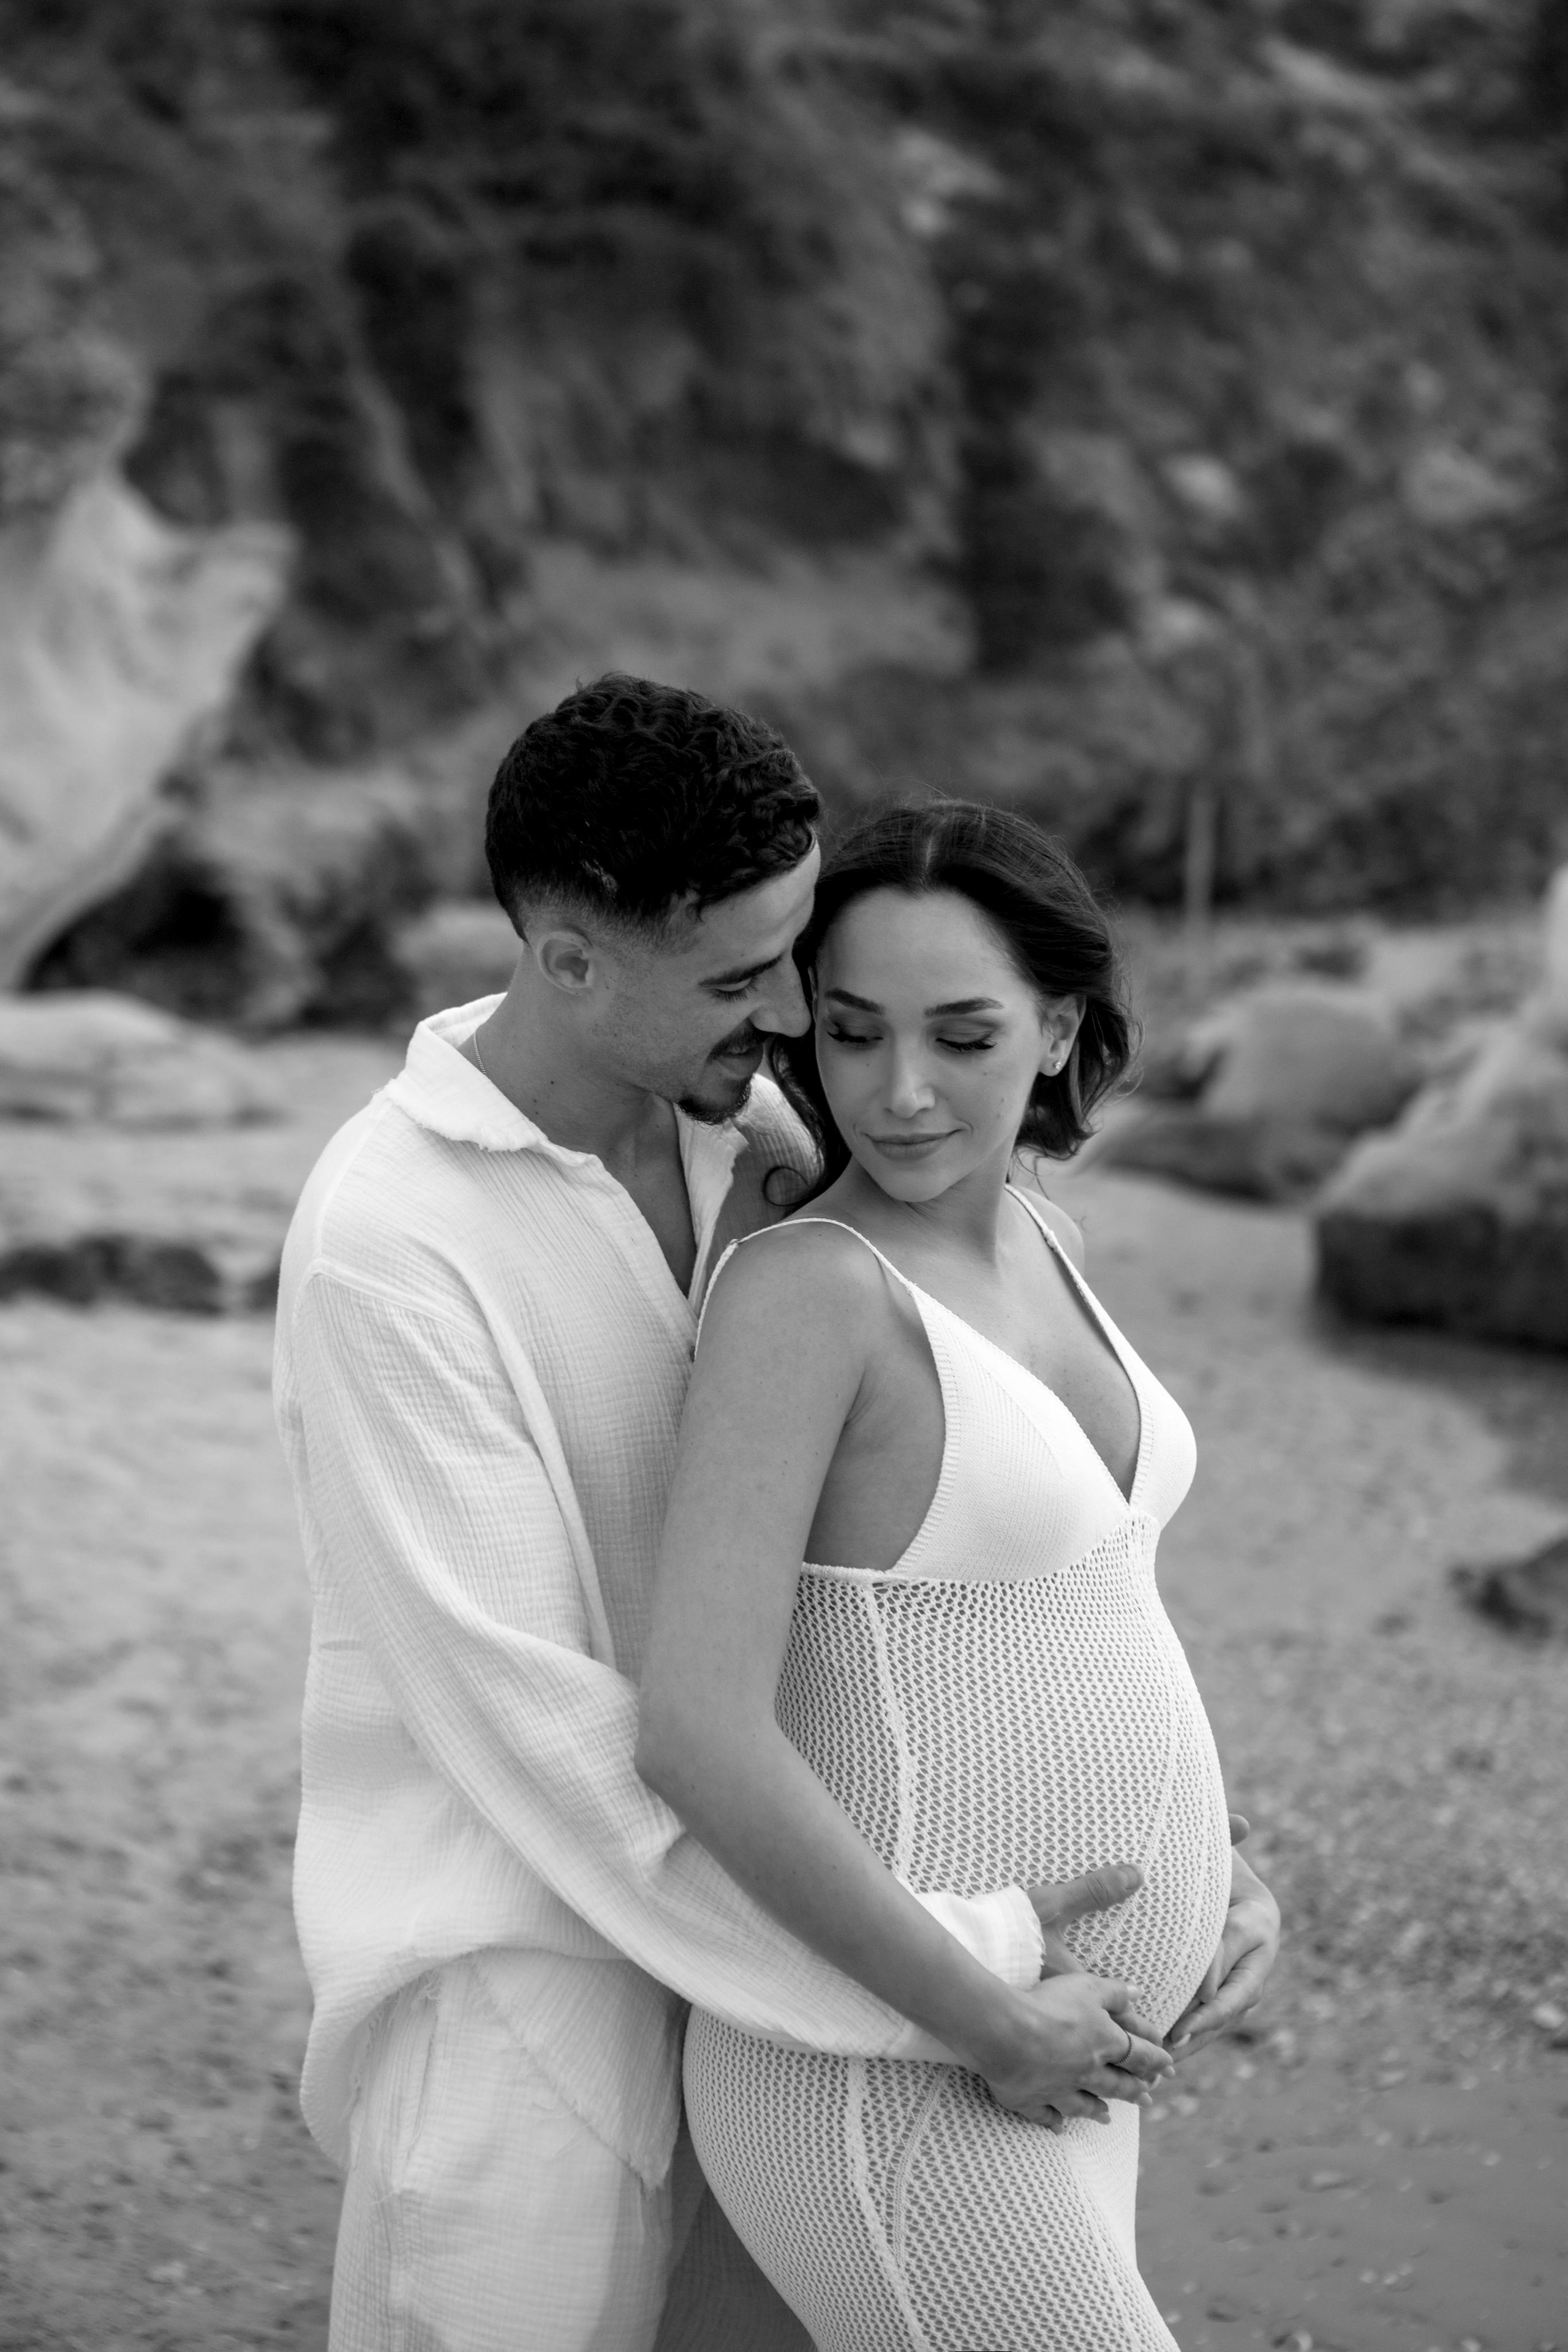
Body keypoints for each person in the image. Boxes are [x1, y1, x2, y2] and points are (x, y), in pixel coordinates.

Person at [274, 678, 1177, 2352]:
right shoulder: (389, 1250)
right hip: (528, 2000)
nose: (785, 1012)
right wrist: (948, 1982)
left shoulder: (742, 1134)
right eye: (740, 976)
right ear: (566, 963)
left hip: (785, 1948)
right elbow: (537, 1733)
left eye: (793, 959)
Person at [637, 798, 1283, 2350]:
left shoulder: (1039, 1236)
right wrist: (986, 2017)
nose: (900, 1093)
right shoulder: (806, 1296)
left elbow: (1085, 1602)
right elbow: (697, 1730)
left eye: (962, 1036)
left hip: (1068, 2056)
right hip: (904, 2063)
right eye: (851, 1034)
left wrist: (1224, 1867)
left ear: (1059, 1028)